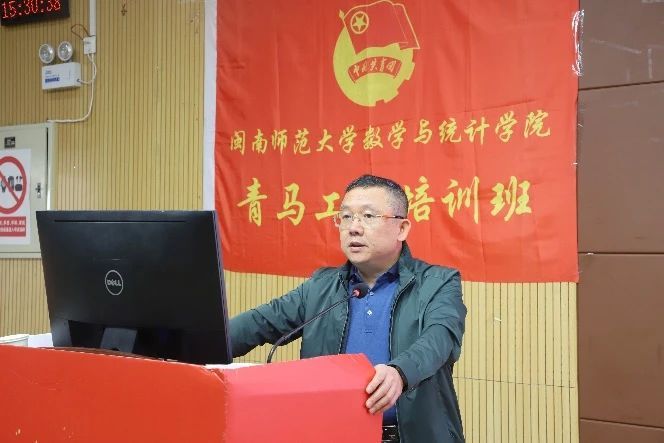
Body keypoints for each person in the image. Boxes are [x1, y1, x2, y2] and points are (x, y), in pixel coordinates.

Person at [230, 174, 467, 442]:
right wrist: (198, 342)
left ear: (401, 228)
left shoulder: (438, 282)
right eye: (345, 217)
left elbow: (440, 339)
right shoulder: (321, 286)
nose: (353, 228)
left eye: (368, 216)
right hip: (333, 435)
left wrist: (400, 372)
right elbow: (259, 322)